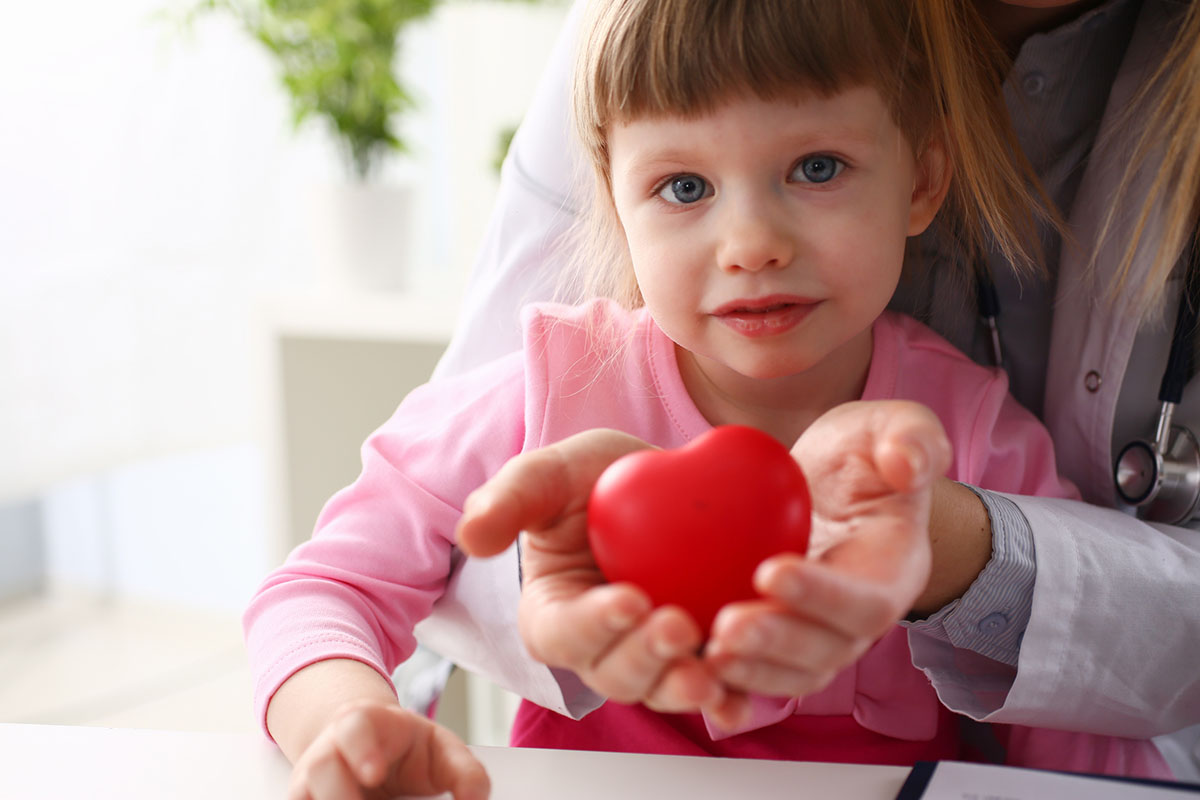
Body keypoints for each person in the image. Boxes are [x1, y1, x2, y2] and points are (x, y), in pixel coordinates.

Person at [245, 1, 1179, 796]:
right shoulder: (546, 387)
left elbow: (1080, 727)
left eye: (816, 168)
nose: (751, 242)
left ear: (922, 179)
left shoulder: (967, 435)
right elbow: (321, 588)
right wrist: (353, 721)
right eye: (683, 186)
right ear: (613, 202)